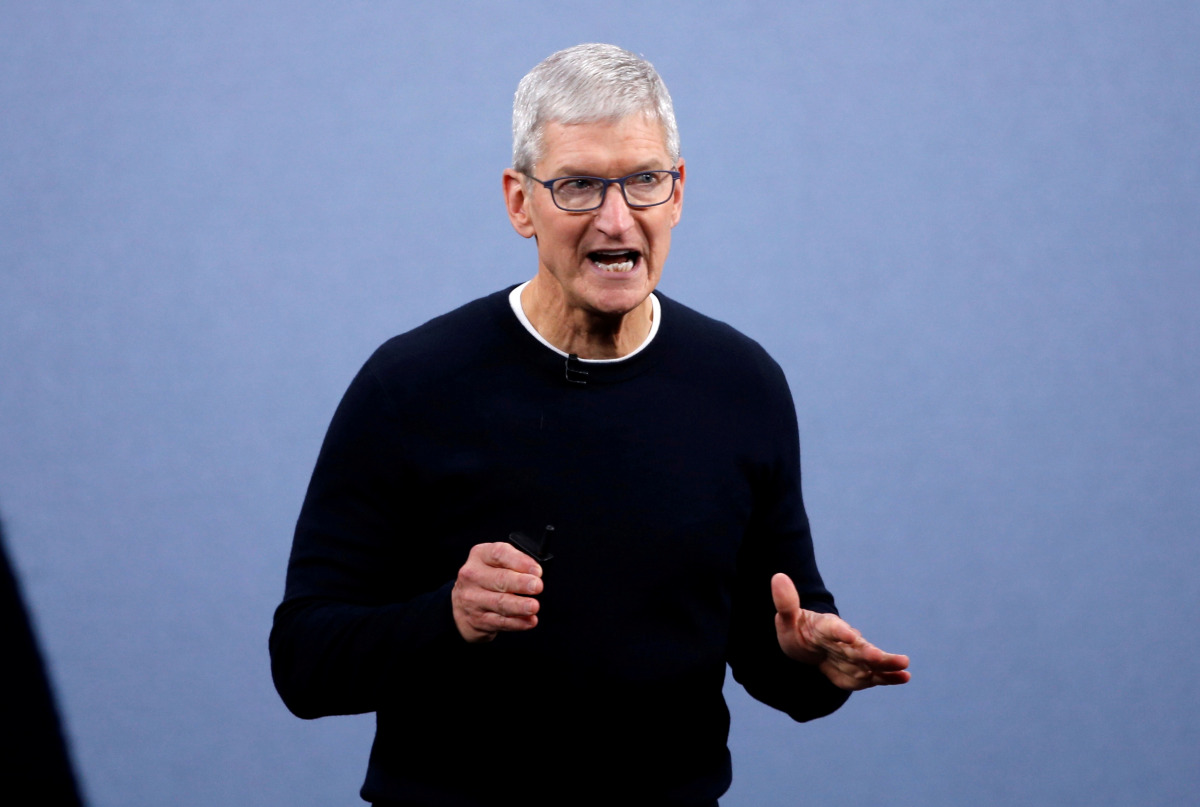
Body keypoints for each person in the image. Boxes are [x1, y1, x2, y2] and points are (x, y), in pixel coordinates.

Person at [270, 43, 909, 807]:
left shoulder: (743, 385)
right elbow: (304, 661)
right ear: (519, 202)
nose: (616, 219)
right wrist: (448, 617)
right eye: (577, 185)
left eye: (643, 180)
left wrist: (809, 660)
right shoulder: (409, 385)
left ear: (678, 194)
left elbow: (773, 654)